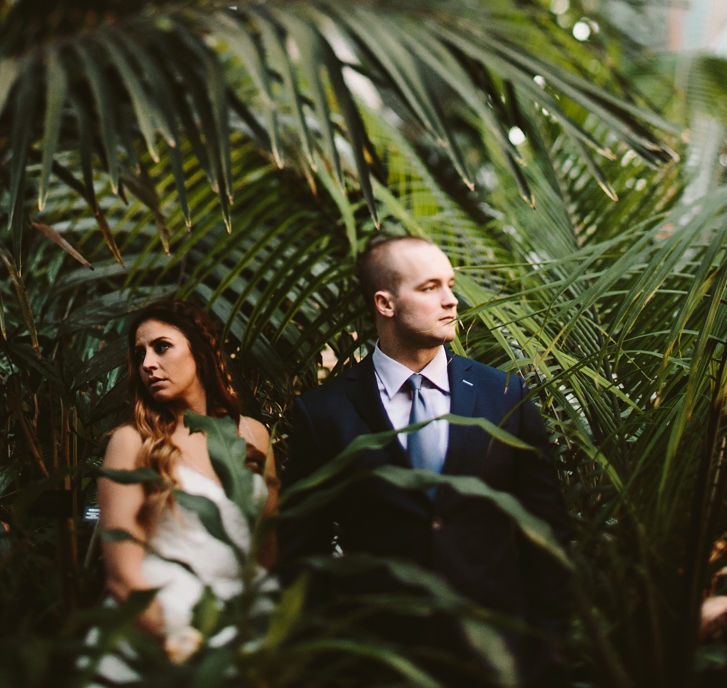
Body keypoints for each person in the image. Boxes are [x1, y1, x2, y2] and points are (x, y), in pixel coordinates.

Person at [279, 236, 571, 684]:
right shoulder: (324, 414)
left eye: (450, 284)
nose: (451, 300)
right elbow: (303, 551)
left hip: (500, 657)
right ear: (386, 303)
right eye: (430, 287)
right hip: (378, 663)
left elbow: (545, 527)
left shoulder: (504, 394)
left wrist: (547, 643)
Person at [93, 300, 279, 677]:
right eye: (139, 353)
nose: (147, 363)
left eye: (161, 346)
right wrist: (181, 650)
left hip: (245, 632)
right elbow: (122, 576)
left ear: (202, 350)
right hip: (156, 638)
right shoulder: (132, 442)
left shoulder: (254, 436)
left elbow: (268, 554)